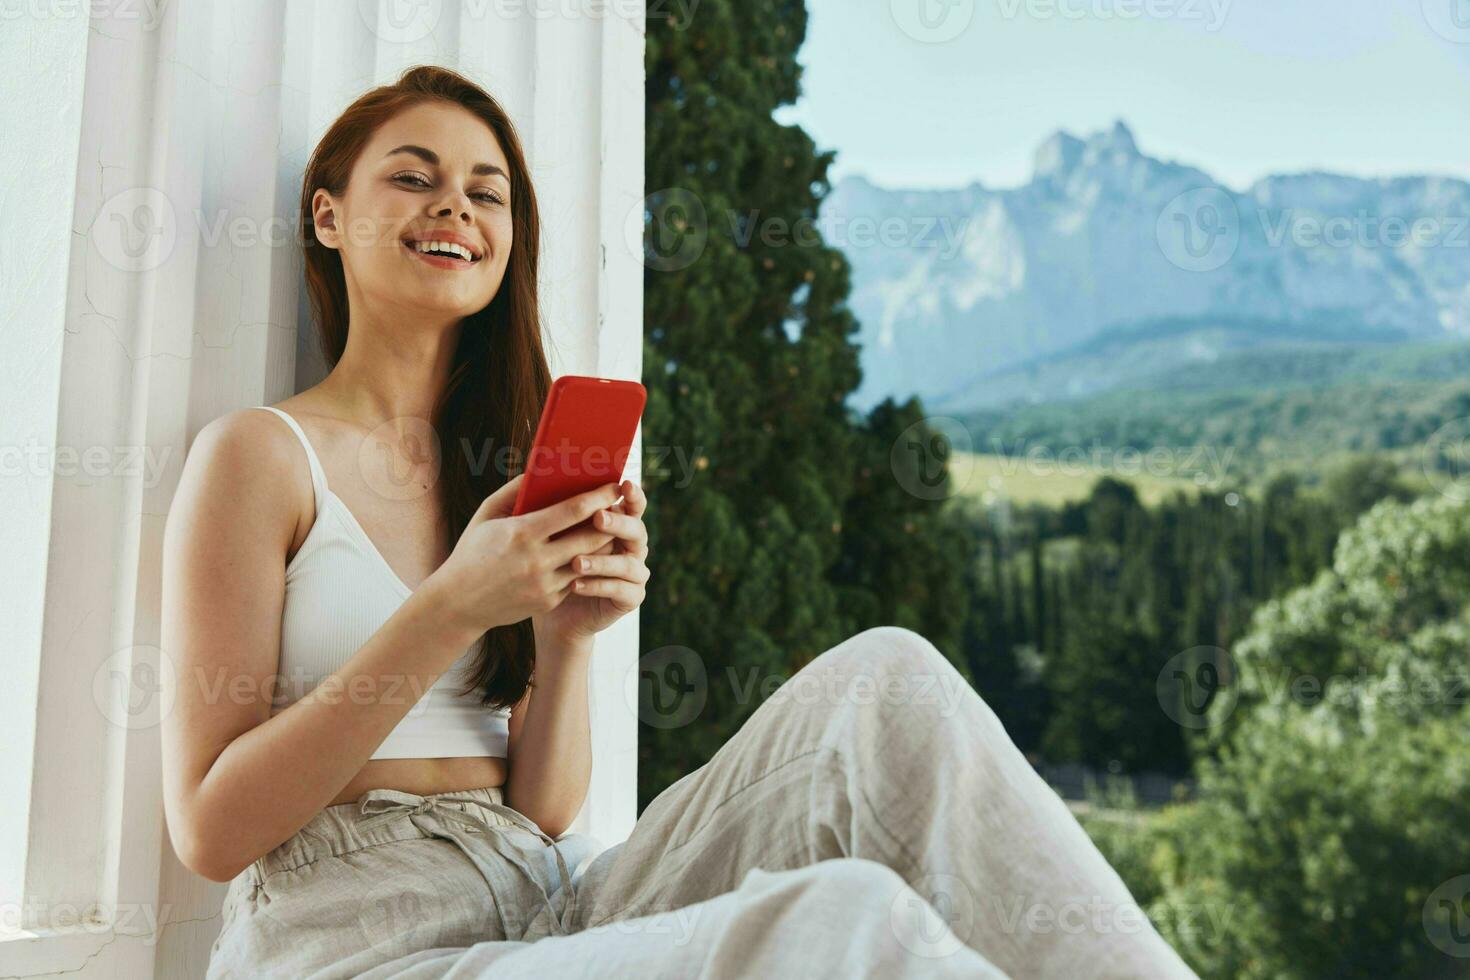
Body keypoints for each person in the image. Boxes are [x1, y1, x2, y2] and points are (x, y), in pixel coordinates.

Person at [160, 64, 1198, 979]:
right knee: (840, 923)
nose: (457, 208)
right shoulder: (259, 456)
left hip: (546, 902)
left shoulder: (504, 468)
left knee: (889, 681)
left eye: (490, 192)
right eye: (413, 176)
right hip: (358, 943)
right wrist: (449, 606)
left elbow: (543, 810)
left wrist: (564, 642)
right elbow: (210, 826)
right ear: (329, 214)